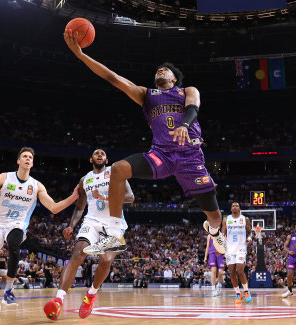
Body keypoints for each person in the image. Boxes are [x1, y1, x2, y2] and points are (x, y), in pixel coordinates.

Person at [64, 30, 225, 256]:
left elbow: (193, 108)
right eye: (158, 69)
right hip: (161, 155)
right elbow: (113, 78)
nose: (160, 69)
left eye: (166, 69)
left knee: (215, 216)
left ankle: (215, 232)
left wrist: (184, 126)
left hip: (190, 157)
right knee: (118, 169)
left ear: (174, 79)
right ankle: (114, 234)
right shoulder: (146, 95)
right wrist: (81, 55)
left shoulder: (187, 90)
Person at [0, 147, 79, 315]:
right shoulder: (5, 177)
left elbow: (53, 208)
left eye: (30, 157)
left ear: (32, 162)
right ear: (18, 161)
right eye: (24, 156)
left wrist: (74, 197)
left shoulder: (36, 186)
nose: (27, 159)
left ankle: (8, 290)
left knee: (15, 246)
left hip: (16, 223)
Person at [43, 149, 134, 320]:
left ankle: (91, 294)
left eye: (103, 153)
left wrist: (105, 197)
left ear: (106, 158)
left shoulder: (116, 173)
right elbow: (79, 207)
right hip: (91, 221)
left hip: (113, 222)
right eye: (96, 153)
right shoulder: (84, 180)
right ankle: (58, 300)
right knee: (77, 255)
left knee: (106, 260)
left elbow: (130, 197)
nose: (100, 155)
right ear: (90, 159)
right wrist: (71, 225)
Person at [223, 202, 253, 304]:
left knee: (240, 270)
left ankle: (246, 291)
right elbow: (223, 235)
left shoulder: (245, 219)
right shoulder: (226, 220)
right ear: (231, 209)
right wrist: (221, 247)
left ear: (240, 209)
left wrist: (249, 238)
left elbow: (249, 232)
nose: (235, 207)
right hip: (229, 249)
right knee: (231, 272)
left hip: (241, 248)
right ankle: (237, 293)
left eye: (237, 206)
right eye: (233, 206)